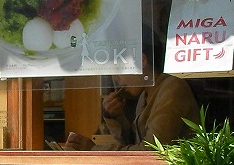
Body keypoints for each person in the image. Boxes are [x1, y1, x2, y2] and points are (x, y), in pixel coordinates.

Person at [65, 34, 199, 151]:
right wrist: (114, 117)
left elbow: (151, 152)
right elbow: (132, 144)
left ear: (141, 61)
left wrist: (94, 150)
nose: (116, 79)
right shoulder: (145, 94)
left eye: (119, 68)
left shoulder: (172, 89)